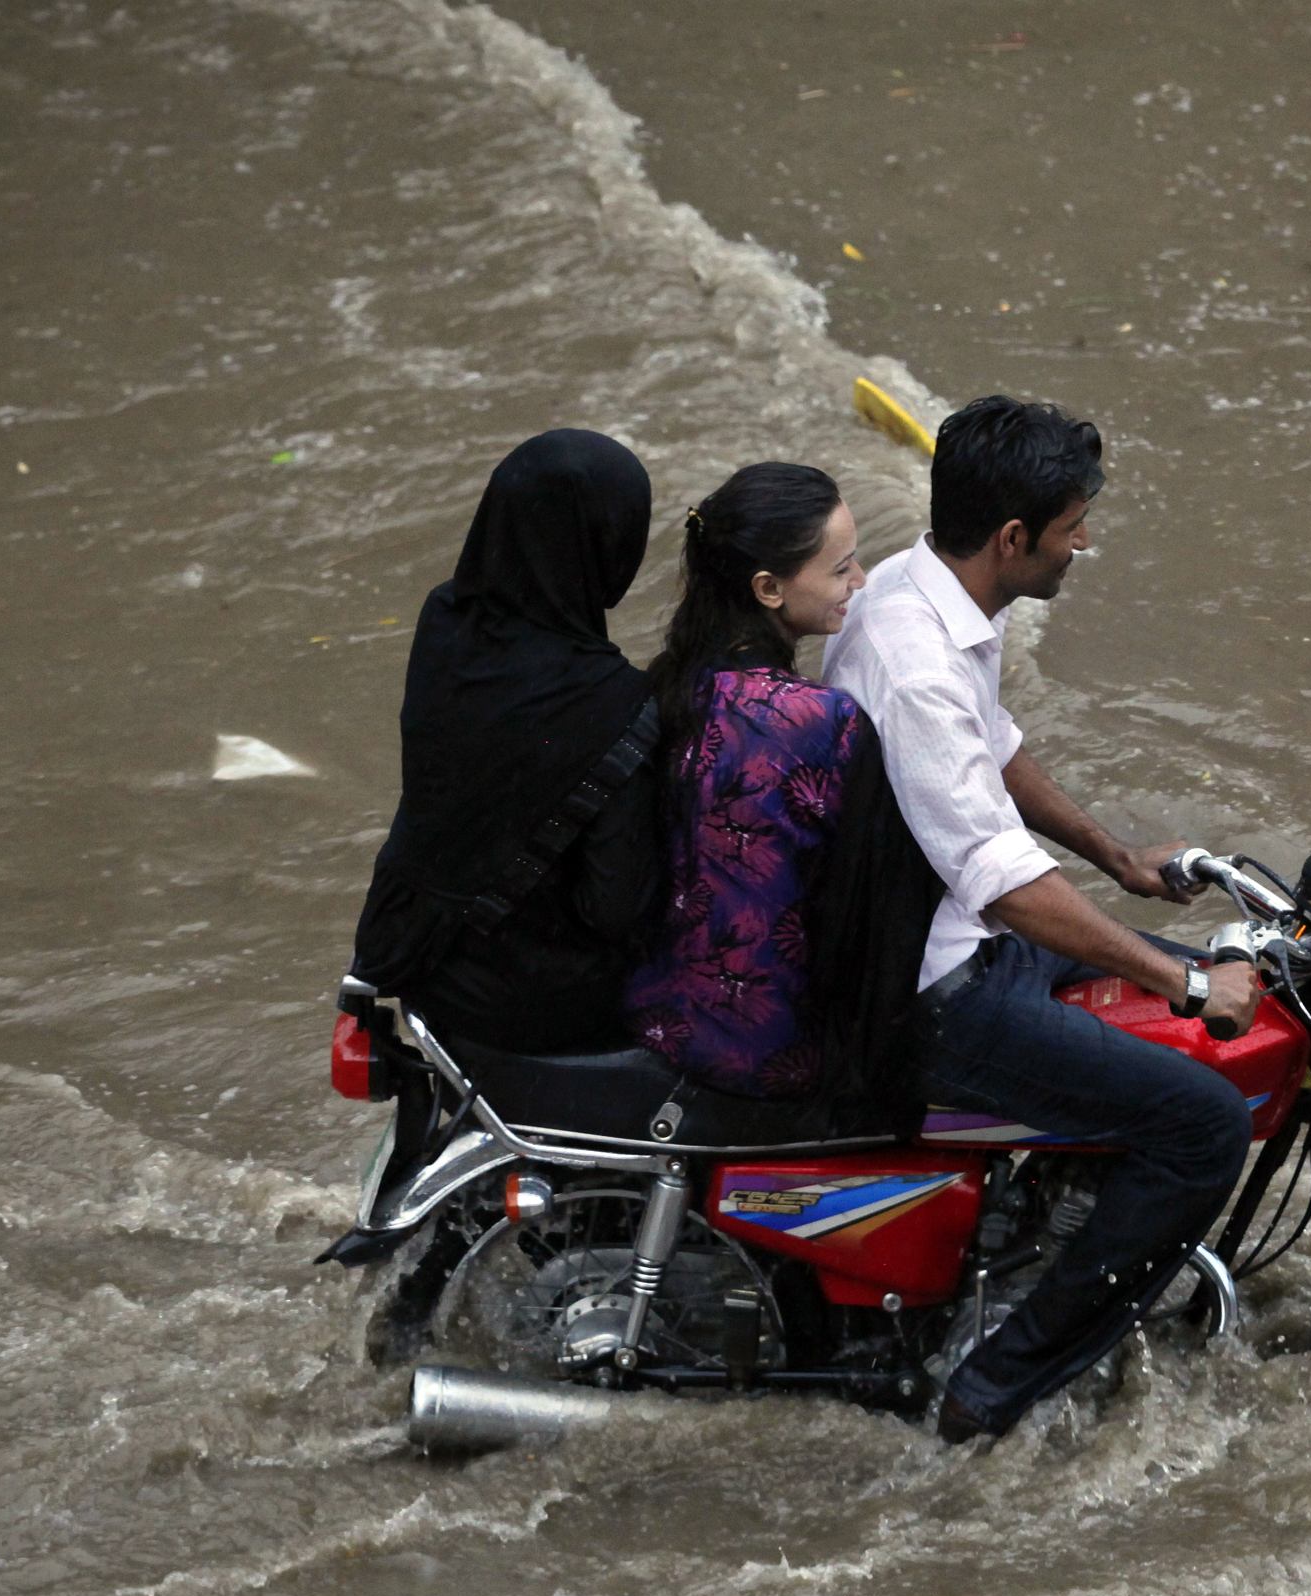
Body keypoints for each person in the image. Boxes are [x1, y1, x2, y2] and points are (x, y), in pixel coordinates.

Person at [821, 394, 1262, 1443]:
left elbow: (997, 748)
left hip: (961, 942)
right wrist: (1189, 983)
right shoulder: (913, 662)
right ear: (1013, 539)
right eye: (1073, 529)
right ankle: (991, 1392)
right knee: (1202, 1125)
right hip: (935, 990)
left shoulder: (936, 596)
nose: (1085, 545)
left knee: (1194, 1006)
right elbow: (1003, 884)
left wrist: (1116, 857)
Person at [623, 464, 940, 1121]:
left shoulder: (666, 686)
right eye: (842, 569)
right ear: (768, 588)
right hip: (775, 1052)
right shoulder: (819, 721)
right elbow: (886, 908)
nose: (859, 583)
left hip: (662, 1017)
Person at [350, 429, 664, 1054]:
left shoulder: (446, 622)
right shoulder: (614, 701)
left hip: (414, 957)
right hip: (536, 1004)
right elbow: (617, 906)